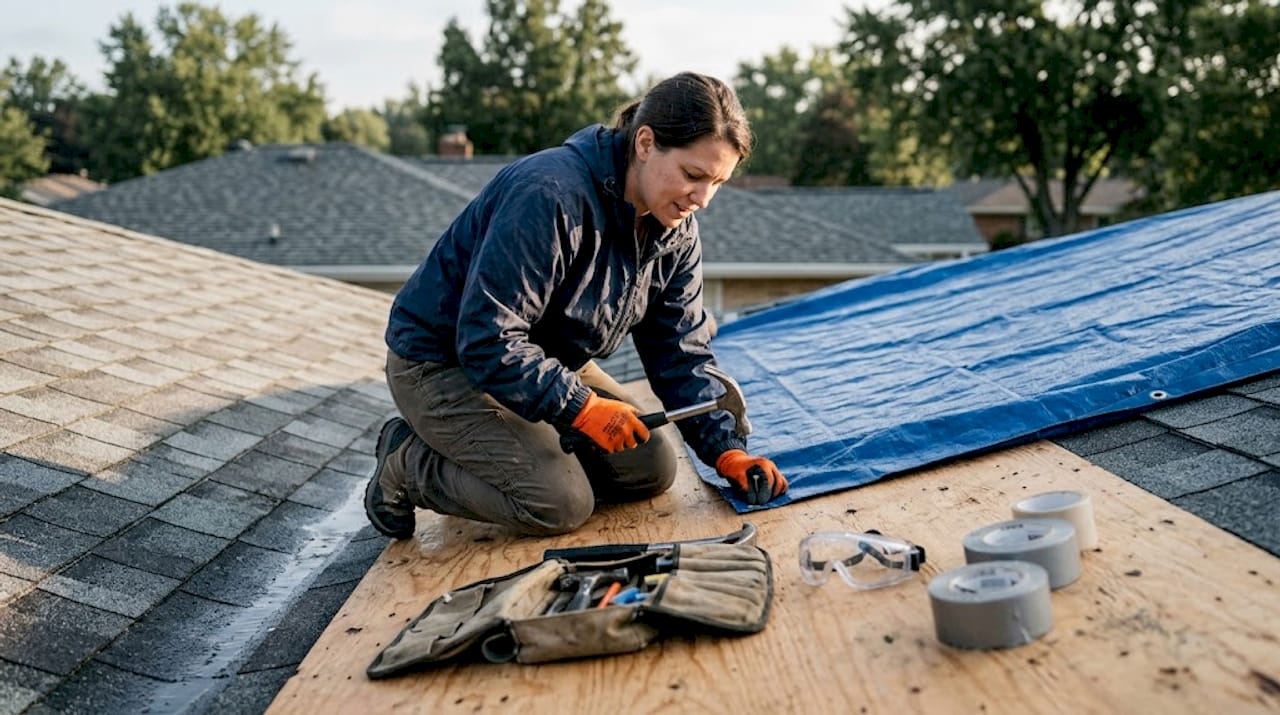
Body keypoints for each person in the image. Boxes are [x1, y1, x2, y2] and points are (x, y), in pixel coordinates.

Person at [364, 71, 788, 540]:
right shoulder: (549, 196)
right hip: (444, 362)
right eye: (693, 175)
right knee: (559, 502)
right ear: (645, 143)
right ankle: (406, 463)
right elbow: (487, 338)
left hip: (543, 361)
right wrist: (580, 408)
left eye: (718, 182)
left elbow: (678, 349)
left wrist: (725, 447)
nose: (703, 199)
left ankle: (522, 454)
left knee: (650, 468)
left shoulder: (675, 231)